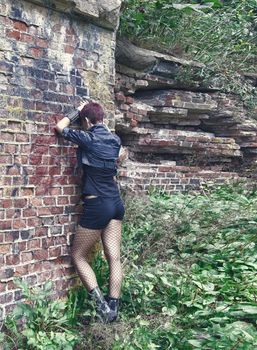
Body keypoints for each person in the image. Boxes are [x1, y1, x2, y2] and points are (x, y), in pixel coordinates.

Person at [55, 101, 126, 323]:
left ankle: (102, 308)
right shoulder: (115, 140)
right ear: (102, 118)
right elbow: (120, 155)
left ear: (86, 121)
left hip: (97, 205)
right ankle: (113, 308)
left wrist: (77, 110)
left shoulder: (88, 137)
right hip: (116, 203)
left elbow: (60, 127)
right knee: (113, 257)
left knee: (78, 255)